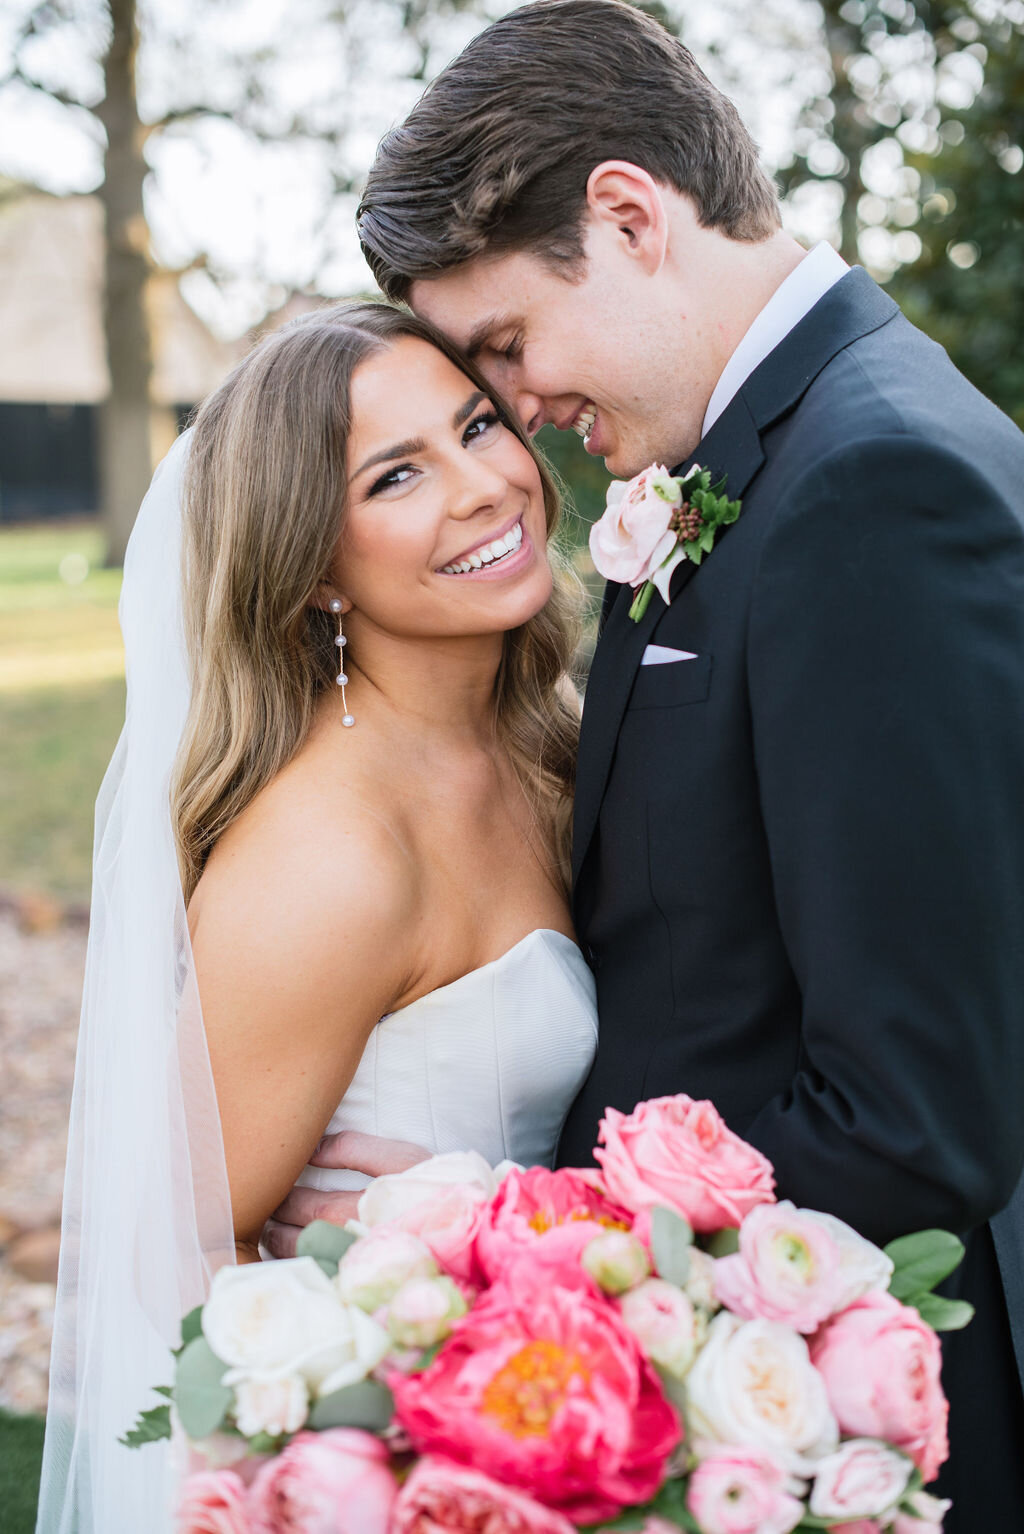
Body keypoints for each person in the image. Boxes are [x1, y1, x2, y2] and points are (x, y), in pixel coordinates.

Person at [286, 0, 1024, 1525]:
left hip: (814, 1426)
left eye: (506, 347)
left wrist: (513, 1253)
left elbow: (910, 1116)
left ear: (628, 217)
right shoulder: (753, 443)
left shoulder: (869, 481)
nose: (525, 414)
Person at [35, 301, 598, 1532]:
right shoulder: (333, 851)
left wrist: (489, 1230)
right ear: (311, 574)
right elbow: (177, 1252)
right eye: (397, 474)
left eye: (477, 427)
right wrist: (399, 1326)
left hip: (557, 1395)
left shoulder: (544, 748)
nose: (482, 487)